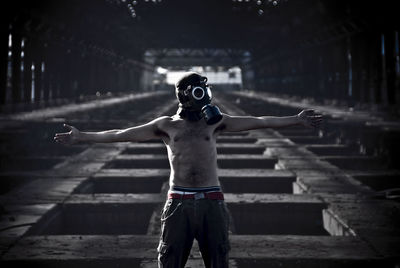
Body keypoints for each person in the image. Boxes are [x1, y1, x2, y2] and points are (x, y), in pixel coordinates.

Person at [54, 72, 322, 268]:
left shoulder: (215, 123)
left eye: (204, 91)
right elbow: (121, 134)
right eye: (197, 91)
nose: (202, 96)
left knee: (218, 259)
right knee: (170, 260)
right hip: (178, 202)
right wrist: (81, 137)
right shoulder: (166, 125)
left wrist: (296, 120)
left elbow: (258, 121)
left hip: (212, 201)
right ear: (184, 94)